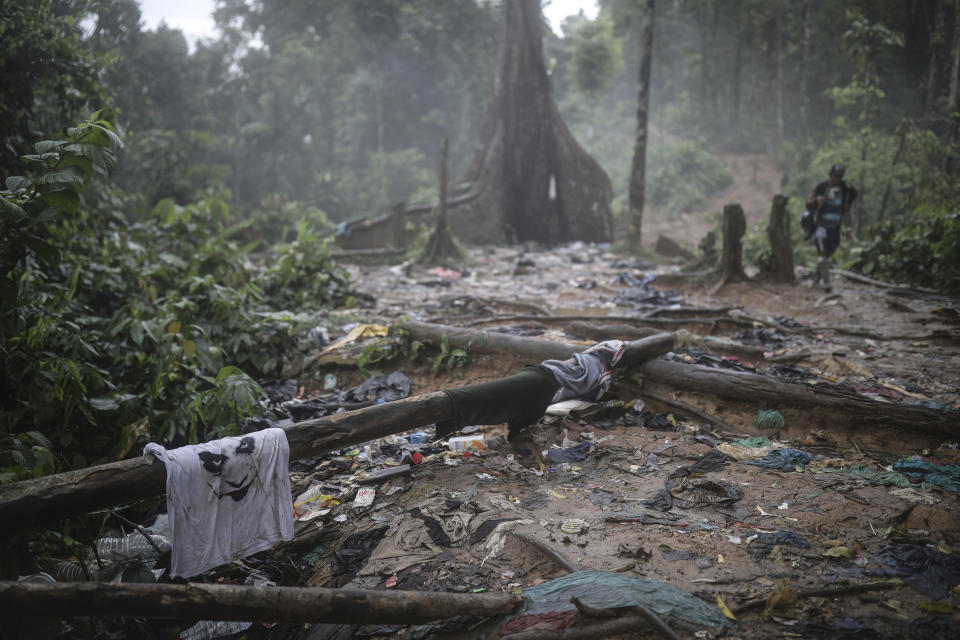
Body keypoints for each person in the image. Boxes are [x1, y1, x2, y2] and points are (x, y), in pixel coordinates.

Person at [804, 163, 857, 292]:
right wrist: (817, 200)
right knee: (822, 252)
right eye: (835, 176)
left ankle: (816, 279)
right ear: (830, 175)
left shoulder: (845, 190)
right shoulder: (820, 187)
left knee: (829, 253)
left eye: (840, 176)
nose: (837, 179)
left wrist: (848, 228)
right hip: (821, 226)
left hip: (836, 227)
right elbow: (808, 203)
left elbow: (846, 210)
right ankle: (827, 283)